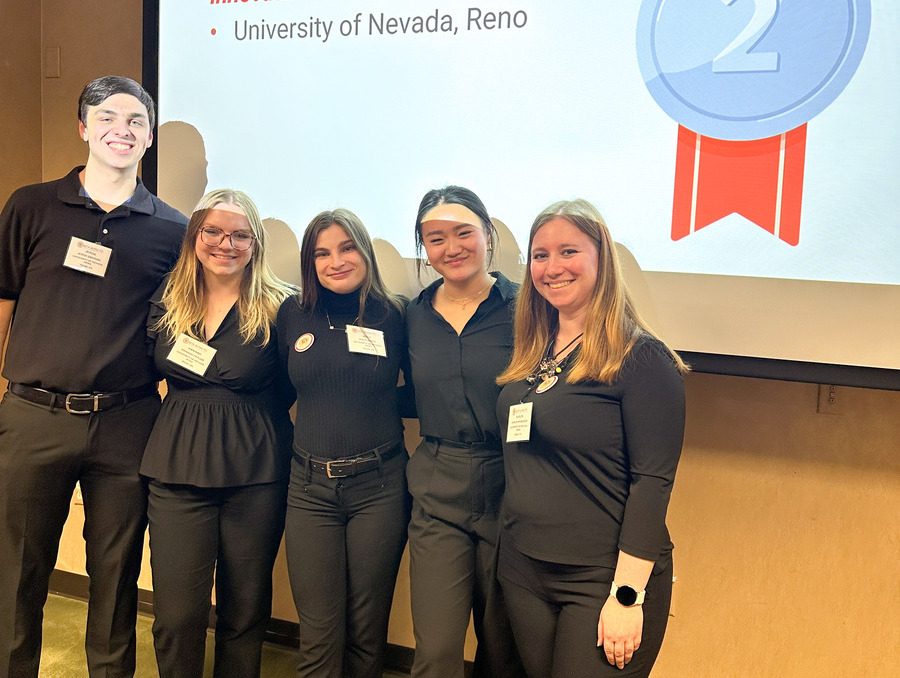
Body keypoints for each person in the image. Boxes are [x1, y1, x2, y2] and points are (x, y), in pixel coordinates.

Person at [0, 76, 187, 678]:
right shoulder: (30, 205)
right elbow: (2, 301)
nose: (121, 130)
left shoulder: (174, 230)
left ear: (149, 136)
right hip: (32, 415)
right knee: (17, 573)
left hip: (127, 421)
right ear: (83, 129)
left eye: (135, 121)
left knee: (117, 574)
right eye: (107, 117)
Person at [495, 199, 688, 678]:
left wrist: (627, 597)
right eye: (540, 255)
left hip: (600, 581)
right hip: (525, 571)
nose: (552, 267)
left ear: (602, 259)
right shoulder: (535, 351)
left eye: (568, 252)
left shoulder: (642, 359)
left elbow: (652, 484)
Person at [140, 189, 297, 678]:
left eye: (239, 235)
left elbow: (298, 384)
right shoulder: (167, 300)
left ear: (256, 244)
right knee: (177, 615)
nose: (224, 243)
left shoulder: (282, 308)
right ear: (194, 237)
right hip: (177, 468)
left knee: (244, 610)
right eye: (212, 231)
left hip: (256, 472)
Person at [277, 209, 411, 678]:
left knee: (366, 630)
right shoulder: (292, 313)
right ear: (309, 262)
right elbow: (278, 389)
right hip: (309, 489)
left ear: (365, 250)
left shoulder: (393, 314)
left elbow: (416, 390)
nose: (336, 260)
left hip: (380, 487)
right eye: (322, 253)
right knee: (317, 633)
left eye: (346, 247)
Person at [405, 186, 522, 678]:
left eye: (463, 233)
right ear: (425, 250)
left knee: (503, 648)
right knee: (435, 651)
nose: (450, 248)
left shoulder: (527, 308)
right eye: (435, 239)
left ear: (488, 235)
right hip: (438, 487)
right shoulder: (411, 315)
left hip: (512, 486)